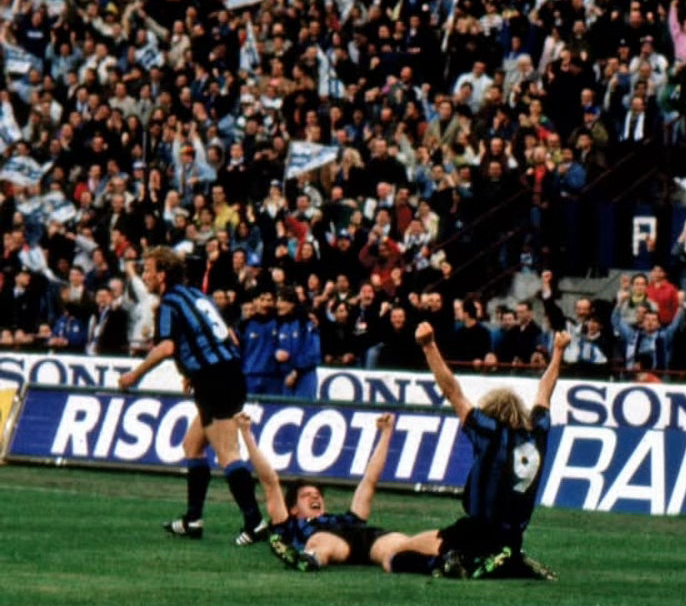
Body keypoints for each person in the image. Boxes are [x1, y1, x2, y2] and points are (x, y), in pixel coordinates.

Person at [386, 322, 571, 580]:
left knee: (395, 558)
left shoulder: (490, 431)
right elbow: (545, 391)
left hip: (475, 532)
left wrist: (428, 346)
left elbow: (452, 392)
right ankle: (511, 560)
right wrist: (559, 351)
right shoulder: (538, 431)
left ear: (492, 411)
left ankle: (450, 562)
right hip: (513, 536)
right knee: (489, 549)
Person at [118, 246, 268, 546]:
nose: (145, 276)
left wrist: (135, 375)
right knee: (193, 445)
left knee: (227, 453)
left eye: (148, 270)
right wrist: (191, 371)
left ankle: (255, 522)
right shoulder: (199, 296)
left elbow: (167, 347)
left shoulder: (169, 304)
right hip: (226, 372)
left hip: (213, 379)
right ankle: (193, 519)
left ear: (162, 274)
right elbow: (228, 335)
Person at [236, 411, 409, 571]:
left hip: (365, 539)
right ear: (293, 509)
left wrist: (387, 432)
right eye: (306, 496)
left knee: (399, 543)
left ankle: (417, 560)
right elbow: (270, 482)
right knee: (322, 541)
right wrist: (246, 434)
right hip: (329, 542)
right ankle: (308, 560)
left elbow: (370, 480)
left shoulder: (347, 519)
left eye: (317, 495)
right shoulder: (289, 525)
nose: (315, 497)